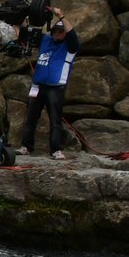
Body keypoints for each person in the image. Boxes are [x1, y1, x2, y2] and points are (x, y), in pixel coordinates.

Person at [22, 11, 78, 161]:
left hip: (55, 87)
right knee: (31, 117)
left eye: (60, 31)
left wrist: (61, 16)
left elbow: (71, 32)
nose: (57, 34)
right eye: (55, 31)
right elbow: (27, 34)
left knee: (55, 119)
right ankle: (26, 146)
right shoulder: (46, 40)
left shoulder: (70, 45)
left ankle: (56, 149)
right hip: (38, 85)